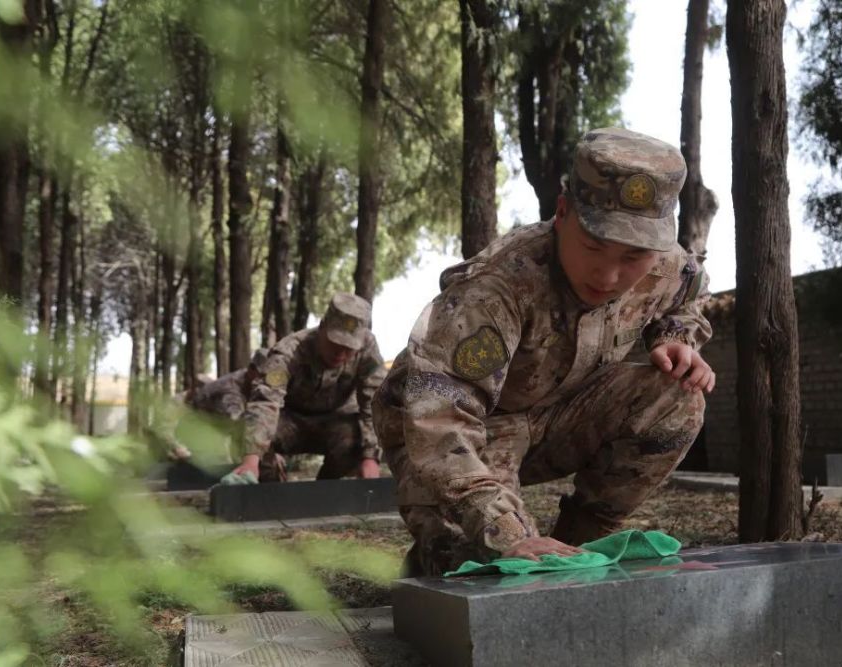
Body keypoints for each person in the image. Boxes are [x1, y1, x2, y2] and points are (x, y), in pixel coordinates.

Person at [372, 127, 715, 576]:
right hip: (457, 428)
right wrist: (506, 532)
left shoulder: (669, 265)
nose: (610, 275)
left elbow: (690, 294)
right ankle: (440, 556)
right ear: (562, 212)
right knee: (482, 563)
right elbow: (439, 421)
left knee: (676, 395)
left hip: (558, 413)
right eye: (593, 246)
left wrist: (674, 337)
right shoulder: (496, 287)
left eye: (633, 257)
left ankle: (584, 546)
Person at [223, 292, 387, 483]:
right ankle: (270, 490)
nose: (341, 353)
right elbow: (266, 401)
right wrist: (251, 461)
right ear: (322, 328)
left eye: (349, 349)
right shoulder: (288, 351)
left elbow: (376, 401)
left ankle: (325, 492)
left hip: (336, 422)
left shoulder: (368, 348)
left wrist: (370, 457)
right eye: (335, 343)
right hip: (290, 422)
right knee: (245, 430)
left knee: (356, 440)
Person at [168, 348, 269, 461]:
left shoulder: (251, 383)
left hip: (216, 431)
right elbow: (240, 423)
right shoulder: (230, 391)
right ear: (251, 369)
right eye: (262, 375)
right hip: (195, 430)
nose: (265, 379)